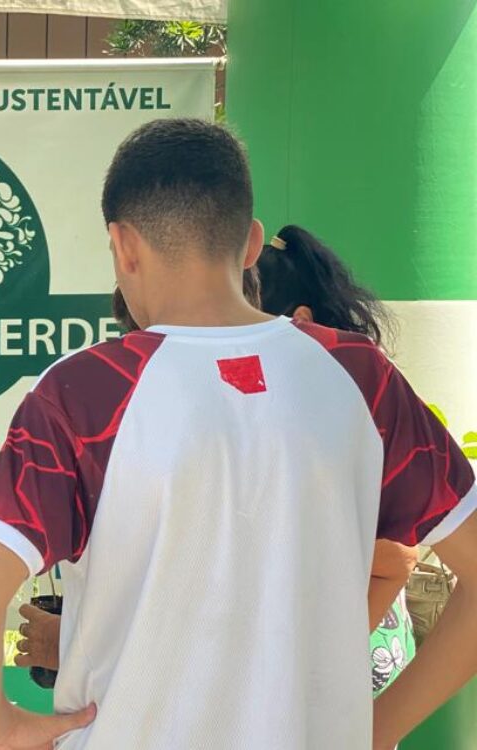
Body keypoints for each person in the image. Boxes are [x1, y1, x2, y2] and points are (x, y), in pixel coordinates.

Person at [0, 119, 477, 750]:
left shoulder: (81, 395)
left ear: (122, 246)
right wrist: (379, 729)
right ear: (250, 243)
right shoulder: (362, 377)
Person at [24, 236, 420, 698]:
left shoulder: (319, 409)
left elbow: (395, 558)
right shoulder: (207, 415)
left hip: (323, 688)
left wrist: (74, 645)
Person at [258, 225, 419, 694]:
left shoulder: (343, 404)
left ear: (302, 320)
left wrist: (322, 666)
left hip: (347, 667)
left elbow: (396, 556)